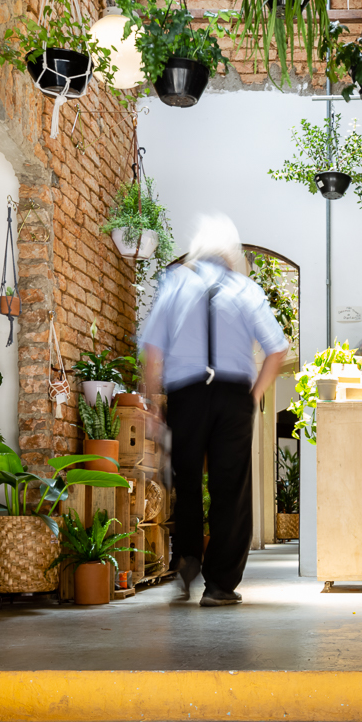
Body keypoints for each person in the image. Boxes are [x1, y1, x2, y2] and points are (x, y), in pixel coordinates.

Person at [140, 214, 288, 606]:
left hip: (186, 394)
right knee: (230, 487)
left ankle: (188, 559)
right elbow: (277, 349)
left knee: (186, 480)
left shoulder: (175, 283)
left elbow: (153, 350)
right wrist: (254, 396)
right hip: (232, 395)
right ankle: (220, 585)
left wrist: (153, 404)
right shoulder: (246, 289)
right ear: (231, 255)